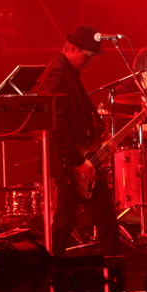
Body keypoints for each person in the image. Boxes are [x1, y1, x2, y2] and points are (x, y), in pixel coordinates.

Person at [37, 25, 121, 256]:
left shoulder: (69, 72)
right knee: (67, 219)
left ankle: (114, 267)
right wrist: (77, 160)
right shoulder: (56, 72)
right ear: (72, 48)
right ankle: (46, 268)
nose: (89, 62)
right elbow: (55, 121)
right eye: (87, 56)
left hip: (81, 157)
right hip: (70, 162)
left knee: (102, 216)